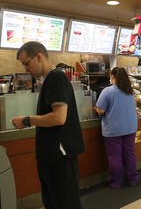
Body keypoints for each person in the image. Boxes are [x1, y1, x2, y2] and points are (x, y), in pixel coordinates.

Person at [11, 41, 84, 209]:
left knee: (64, 203)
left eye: (26, 64)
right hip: (53, 157)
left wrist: (28, 120)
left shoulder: (55, 78)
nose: (26, 70)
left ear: (38, 57)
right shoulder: (50, 79)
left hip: (60, 157)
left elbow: (59, 117)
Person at [95, 67, 138, 189]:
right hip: (130, 128)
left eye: (110, 77)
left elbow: (101, 110)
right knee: (129, 154)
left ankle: (116, 182)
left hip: (114, 129)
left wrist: (96, 108)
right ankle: (132, 179)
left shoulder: (107, 91)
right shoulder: (130, 91)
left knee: (115, 157)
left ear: (113, 77)